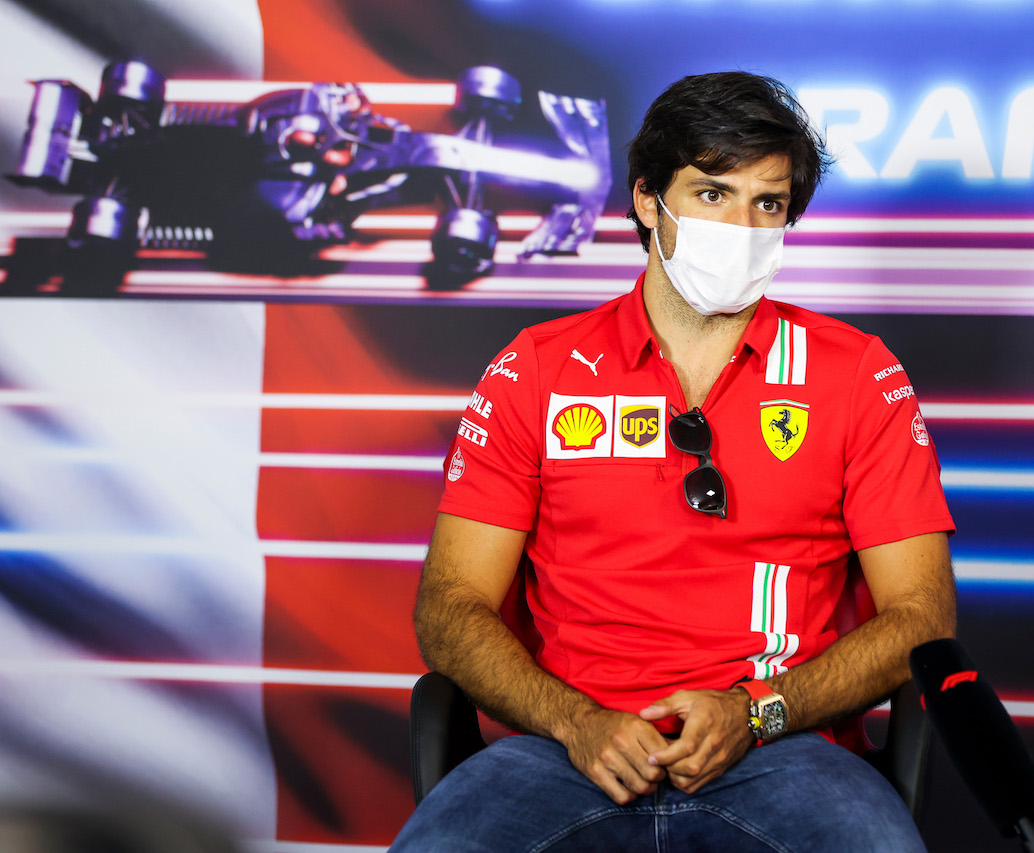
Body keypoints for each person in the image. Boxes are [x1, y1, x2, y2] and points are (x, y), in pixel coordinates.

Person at [391, 71, 956, 852]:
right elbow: (449, 607)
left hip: (783, 752)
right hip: (565, 751)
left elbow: (921, 616)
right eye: (713, 194)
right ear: (648, 199)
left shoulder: (858, 374)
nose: (745, 225)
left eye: (769, 203)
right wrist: (576, 720)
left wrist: (756, 711)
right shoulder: (535, 370)